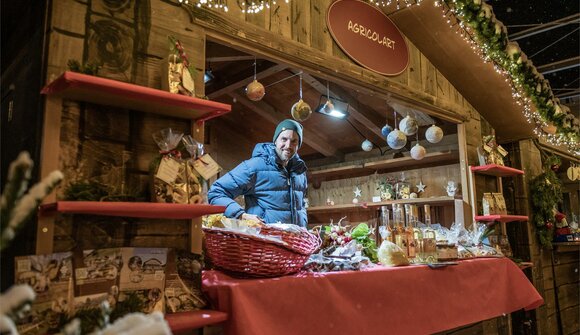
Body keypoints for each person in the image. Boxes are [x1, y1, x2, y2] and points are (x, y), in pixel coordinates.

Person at [208, 119, 308, 227]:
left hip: (295, 241)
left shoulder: (299, 172)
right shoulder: (254, 167)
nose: (288, 145)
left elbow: (301, 205)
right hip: (263, 240)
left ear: (298, 145)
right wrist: (242, 215)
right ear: (275, 141)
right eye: (284, 139)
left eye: (294, 141)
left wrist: (304, 225)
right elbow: (216, 192)